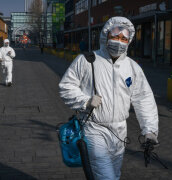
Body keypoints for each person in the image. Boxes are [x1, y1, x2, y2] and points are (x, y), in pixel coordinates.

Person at [59, 17, 159, 180]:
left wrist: (149, 130)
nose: (119, 41)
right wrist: (85, 101)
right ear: (106, 36)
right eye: (115, 36)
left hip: (120, 131)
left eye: (123, 38)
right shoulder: (87, 60)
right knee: (106, 177)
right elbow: (66, 86)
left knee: (114, 174)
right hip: (94, 128)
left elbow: (144, 99)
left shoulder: (132, 67)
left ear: (129, 40)